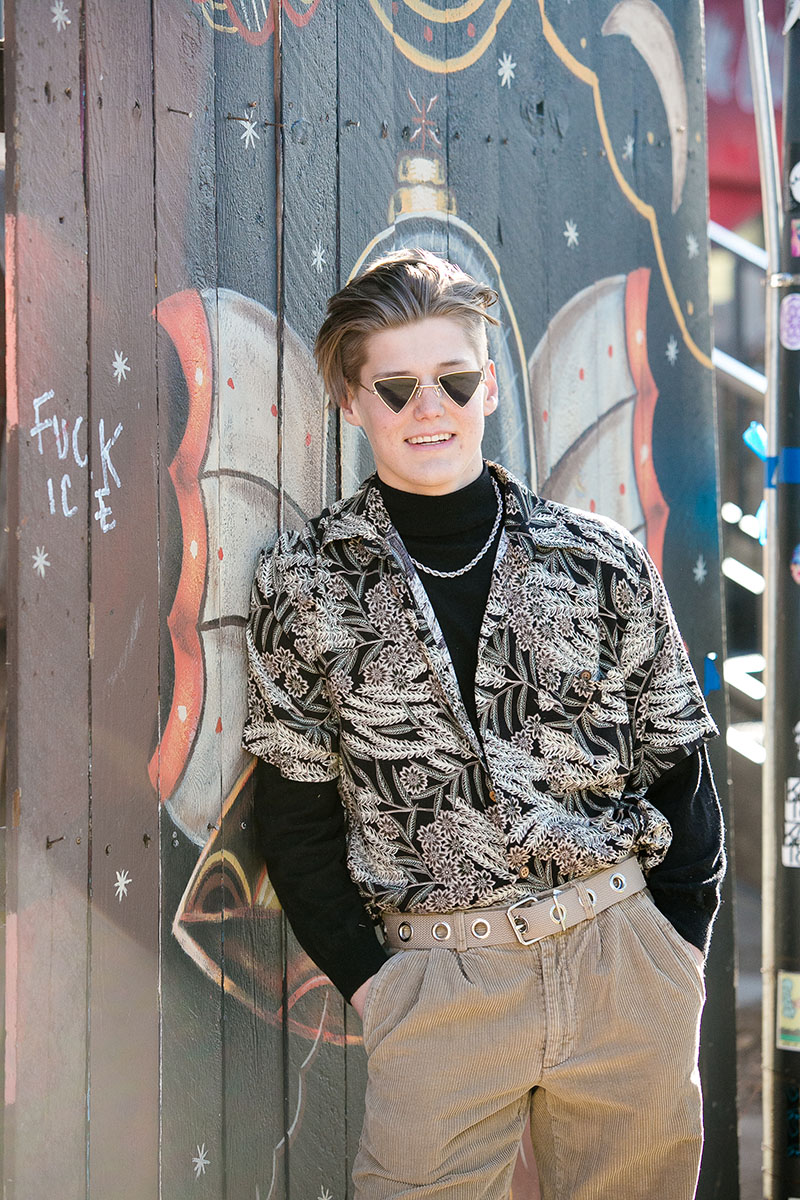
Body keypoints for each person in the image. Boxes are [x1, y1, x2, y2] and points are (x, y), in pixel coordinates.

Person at [242, 248, 725, 1200]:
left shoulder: (601, 562)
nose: (431, 407)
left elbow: (681, 768)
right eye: (398, 386)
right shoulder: (303, 584)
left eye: (454, 380)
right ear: (353, 401)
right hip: (439, 988)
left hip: (621, 961)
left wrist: (673, 953)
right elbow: (293, 817)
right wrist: (383, 993)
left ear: (489, 386)